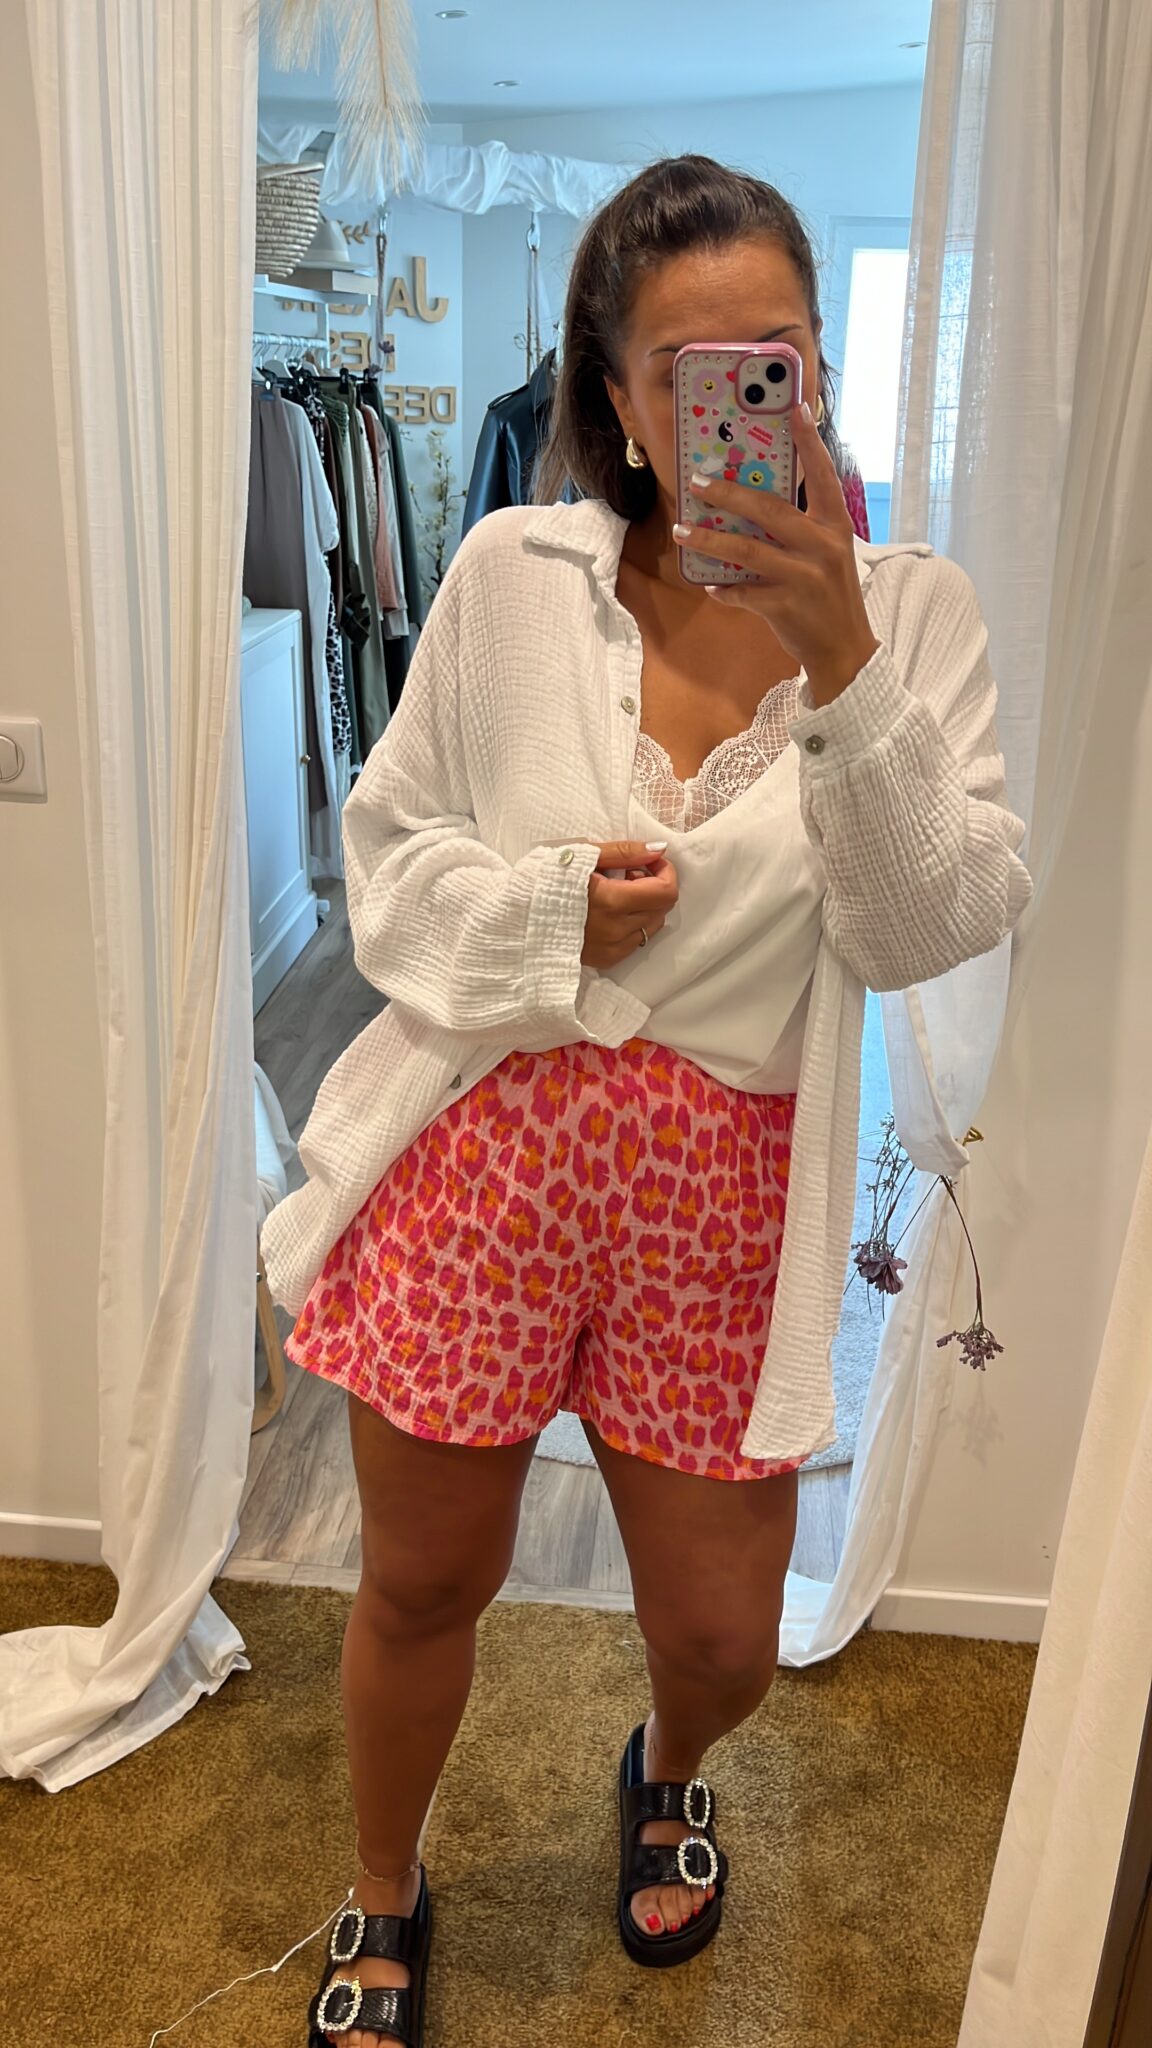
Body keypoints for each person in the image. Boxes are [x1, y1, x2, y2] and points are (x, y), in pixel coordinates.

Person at [260, 154, 1032, 2048]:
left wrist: (841, 663)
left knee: (718, 1636)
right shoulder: (509, 582)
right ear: (613, 398)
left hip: (724, 1190)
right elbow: (387, 853)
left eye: (780, 358)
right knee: (422, 1578)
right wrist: (544, 913)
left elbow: (929, 921)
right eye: (691, 371)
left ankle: (668, 1764)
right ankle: (383, 1889)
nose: (743, 401)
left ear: (822, 369)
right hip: (488, 1152)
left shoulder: (913, 615)